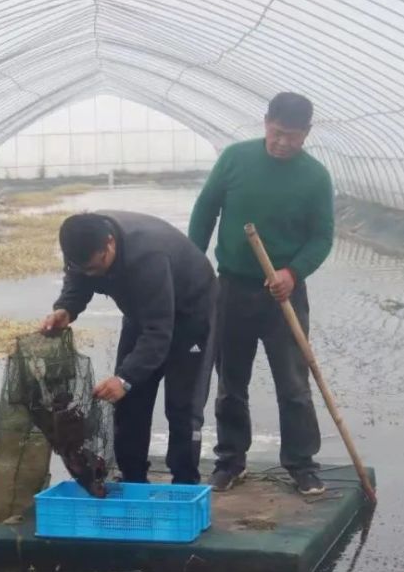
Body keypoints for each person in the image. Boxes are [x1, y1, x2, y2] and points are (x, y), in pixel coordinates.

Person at [188, 92, 334, 495]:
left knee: (294, 383)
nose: (282, 142)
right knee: (231, 381)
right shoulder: (235, 159)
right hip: (232, 288)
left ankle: (302, 464)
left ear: (307, 133)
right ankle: (230, 461)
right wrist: (192, 264)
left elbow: (322, 238)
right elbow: (205, 211)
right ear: (265, 121)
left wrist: (293, 272)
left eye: (292, 136)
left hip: (283, 296)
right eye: (276, 132)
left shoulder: (316, 178)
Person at [43, 211, 218, 485]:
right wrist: (67, 308)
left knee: (182, 406)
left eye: (96, 266)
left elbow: (159, 332)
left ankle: (185, 481)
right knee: (128, 401)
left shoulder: (148, 257)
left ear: (110, 243)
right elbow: (78, 280)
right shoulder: (81, 246)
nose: (92, 274)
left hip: (190, 314)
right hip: (142, 312)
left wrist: (125, 378)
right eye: (84, 268)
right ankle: (133, 477)